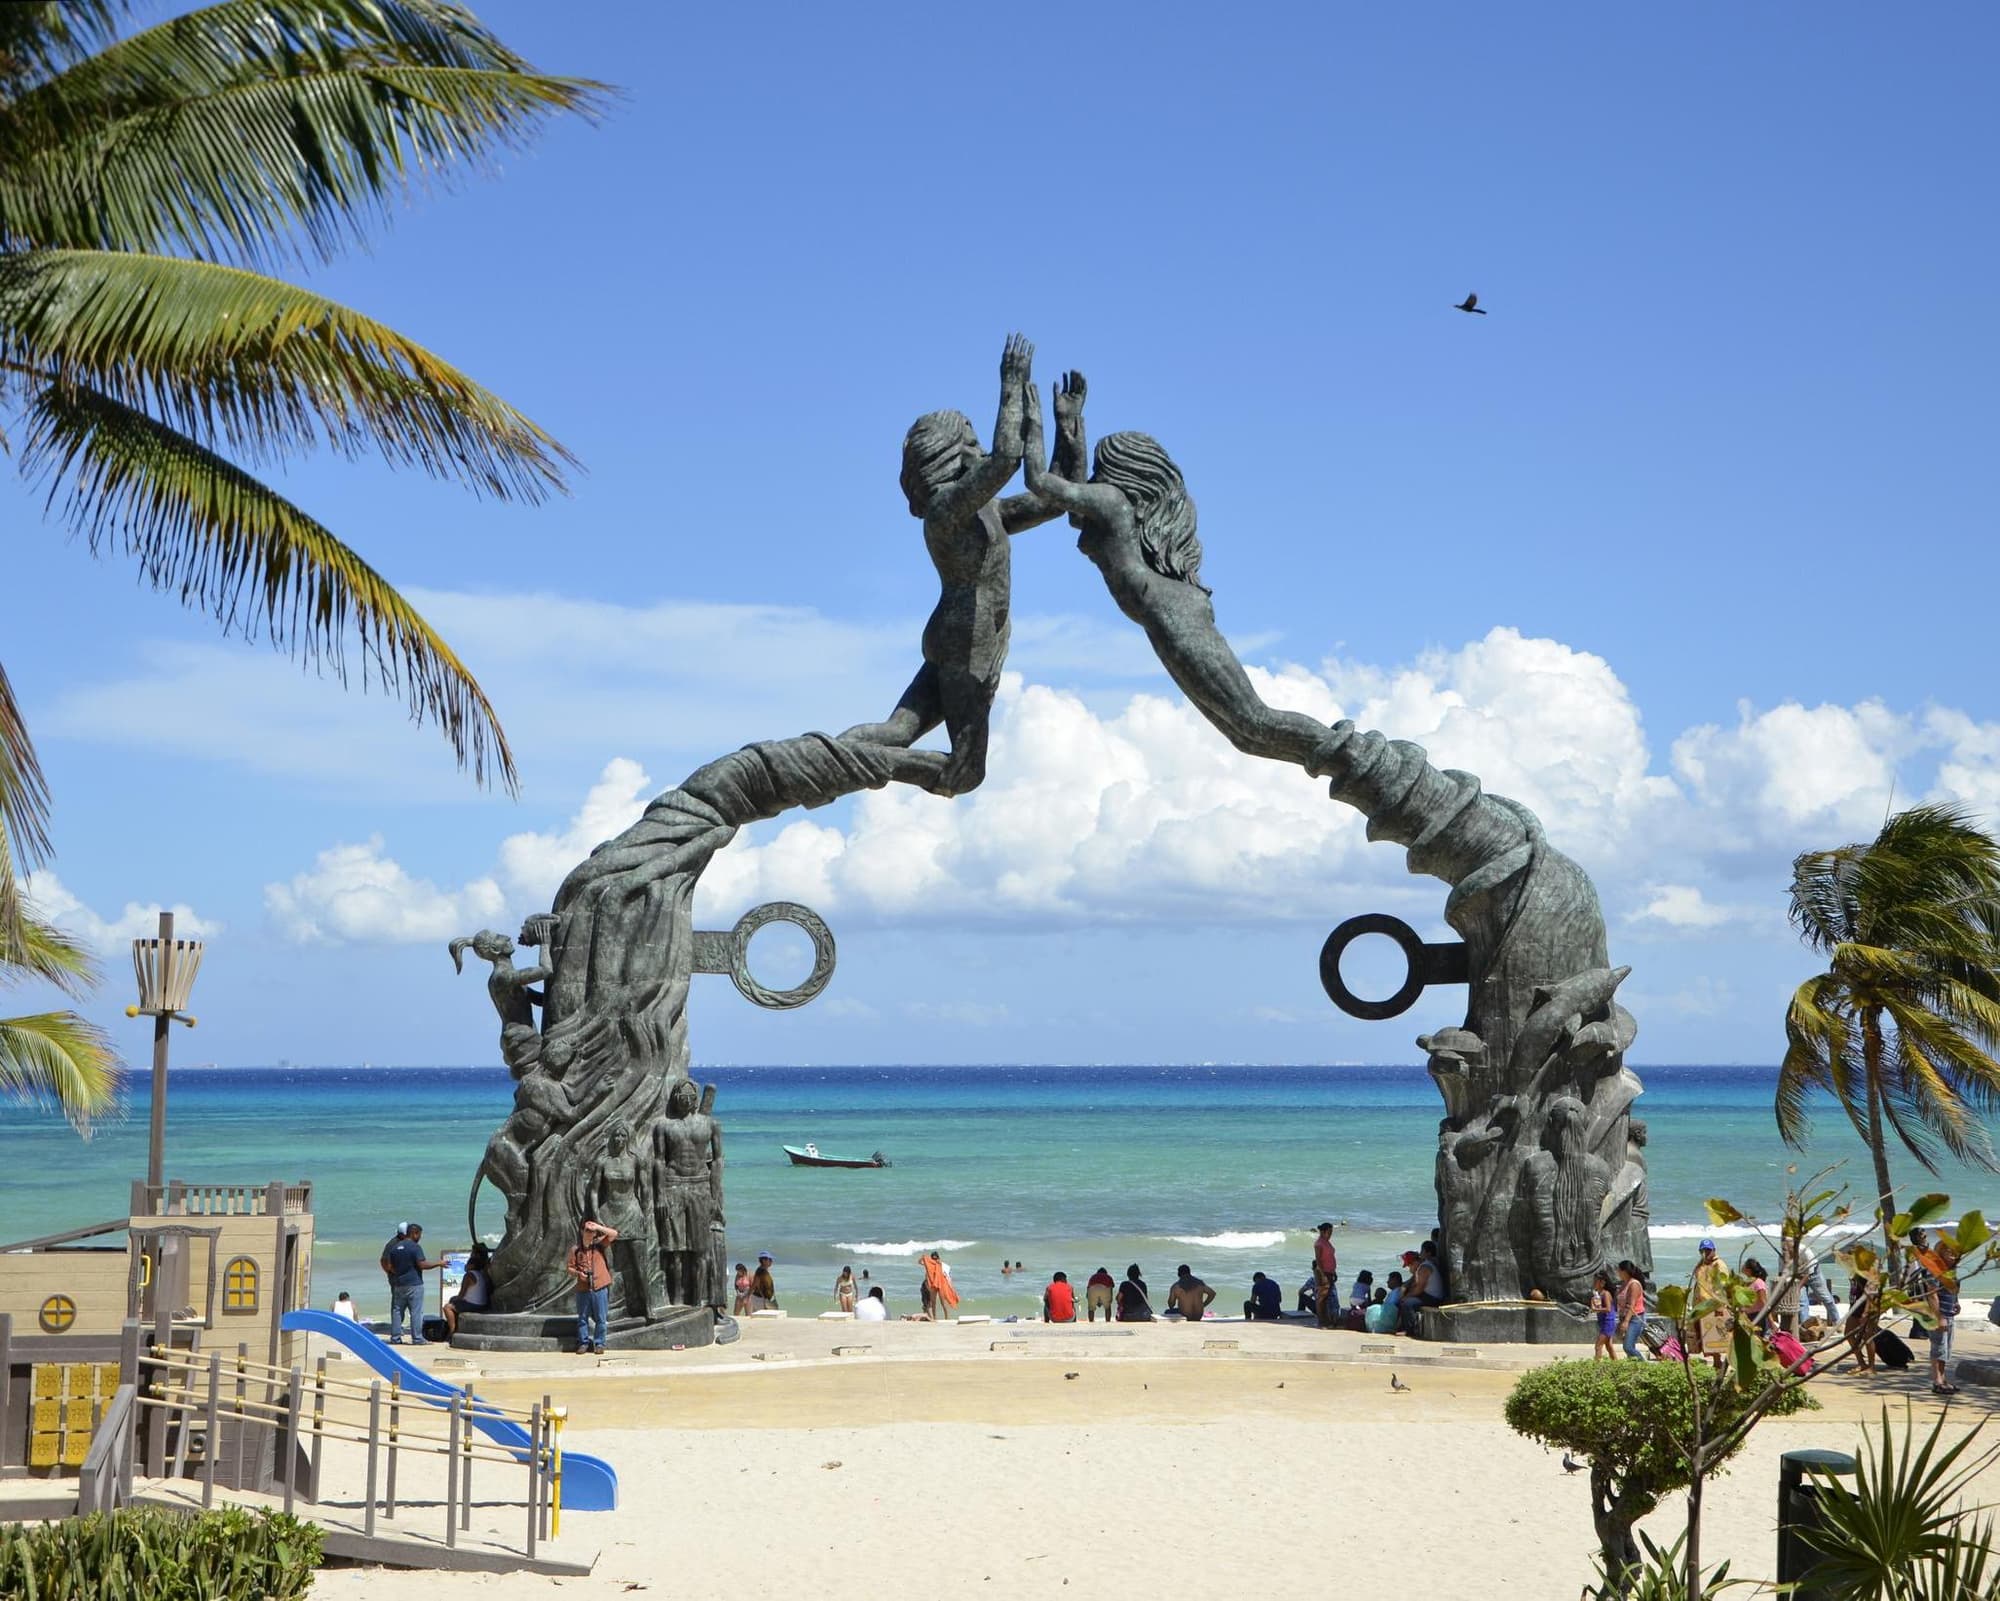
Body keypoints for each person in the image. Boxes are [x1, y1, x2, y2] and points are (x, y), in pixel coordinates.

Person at [841, 338, 1085, 797]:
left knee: (896, 732)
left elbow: (1056, 496)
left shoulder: (984, 512)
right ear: (948, 451)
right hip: (964, 640)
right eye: (970, 438)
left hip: (963, 637)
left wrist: (1068, 424)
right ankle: (852, 765)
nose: (980, 445)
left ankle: (831, 758)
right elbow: (1005, 460)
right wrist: (1010, 386)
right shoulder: (946, 509)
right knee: (966, 770)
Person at [1906, 1228, 1961, 1396]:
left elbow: (1953, 1289)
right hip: (1938, 1315)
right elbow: (1932, 1294)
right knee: (1938, 1348)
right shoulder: (1934, 1270)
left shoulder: (1950, 1272)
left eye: (1954, 1254)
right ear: (1941, 1253)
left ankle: (1943, 1379)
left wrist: (1956, 1303)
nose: (1952, 1256)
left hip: (1949, 1314)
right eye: (1949, 1253)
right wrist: (1939, 1317)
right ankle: (1937, 1380)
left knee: (1947, 1349)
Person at [381, 1222, 445, 1345]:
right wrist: (439, 1263)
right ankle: (417, 1338)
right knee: (416, 1311)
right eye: (419, 1234)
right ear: (414, 1233)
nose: (420, 1237)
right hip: (414, 1284)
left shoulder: (394, 1247)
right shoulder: (415, 1247)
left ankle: (395, 1338)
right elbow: (422, 1264)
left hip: (398, 1284)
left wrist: (400, 1273)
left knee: (397, 1311)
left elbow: (389, 1266)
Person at [567, 1218, 616, 1355]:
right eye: (587, 1230)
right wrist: (578, 1274)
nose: (589, 1233)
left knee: (601, 1318)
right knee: (582, 1318)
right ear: (582, 1232)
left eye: (591, 1231)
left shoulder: (599, 1245)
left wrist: (598, 1227)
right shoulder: (575, 1250)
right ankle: (583, 1343)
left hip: (600, 1287)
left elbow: (614, 1234)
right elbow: (570, 1268)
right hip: (583, 1288)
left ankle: (599, 1344)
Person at [1692, 1239, 1730, 1370]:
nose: (1705, 1253)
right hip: (1701, 1305)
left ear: (1714, 1250)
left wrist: (1719, 1304)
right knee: (1704, 1334)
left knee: (1715, 1335)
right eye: (1703, 1250)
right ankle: (1715, 1360)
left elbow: (1722, 1286)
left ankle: (1719, 1361)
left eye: (1708, 1250)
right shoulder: (1701, 1264)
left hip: (1713, 1305)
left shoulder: (1719, 1265)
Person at [444, 1242, 492, 1336]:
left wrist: (457, 1299)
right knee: (453, 1301)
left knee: (448, 1307)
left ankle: (452, 1331)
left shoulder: (469, 1275)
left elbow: (462, 1295)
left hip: (475, 1305)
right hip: (484, 1302)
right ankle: (456, 1326)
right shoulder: (481, 1273)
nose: (465, 1266)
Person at [1844, 1273, 1879, 1374]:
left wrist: (1866, 1311)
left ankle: (1871, 1367)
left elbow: (1872, 1290)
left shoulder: (1867, 1268)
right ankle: (1861, 1363)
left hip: (1868, 1306)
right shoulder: (1853, 1268)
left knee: (1868, 1337)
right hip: (1855, 1305)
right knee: (1848, 1333)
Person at [1615, 1260, 1648, 1360]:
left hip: (1634, 1318)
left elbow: (1632, 1305)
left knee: (1628, 1347)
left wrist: (1626, 1322)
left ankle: (1643, 1364)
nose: (1617, 1272)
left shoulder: (1634, 1284)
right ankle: (1635, 1368)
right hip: (1625, 1317)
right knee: (1630, 1346)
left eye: (1619, 1270)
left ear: (1624, 1271)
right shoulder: (1624, 1284)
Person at [1312, 1222, 1339, 1330]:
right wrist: (1322, 1274)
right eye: (1329, 1232)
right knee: (1321, 1298)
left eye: (1331, 1232)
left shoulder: (1327, 1242)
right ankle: (1321, 1322)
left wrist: (1334, 1271)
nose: (1330, 1234)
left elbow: (1330, 1258)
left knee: (1326, 1297)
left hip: (1330, 1272)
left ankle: (1326, 1320)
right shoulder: (1319, 1244)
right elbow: (1318, 1260)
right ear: (1323, 1232)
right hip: (1323, 1272)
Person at [921, 1250, 959, 1322]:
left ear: (938, 1258)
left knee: (943, 1303)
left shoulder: (942, 1265)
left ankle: (947, 1318)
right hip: (933, 1285)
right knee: (933, 1303)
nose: (935, 1260)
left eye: (936, 1258)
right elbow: (920, 1262)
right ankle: (934, 1318)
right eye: (933, 1259)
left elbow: (948, 1273)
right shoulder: (929, 1265)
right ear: (931, 1259)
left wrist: (940, 1264)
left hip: (941, 1285)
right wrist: (923, 1258)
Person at [1590, 1270, 1617, 1361]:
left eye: (1596, 1281)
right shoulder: (1598, 1294)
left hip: (1607, 1322)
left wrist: (1596, 1309)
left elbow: (1608, 1309)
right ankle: (1616, 1364)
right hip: (1603, 1322)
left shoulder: (1606, 1294)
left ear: (1602, 1283)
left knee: (1598, 1346)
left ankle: (1596, 1367)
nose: (1594, 1283)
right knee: (1609, 1346)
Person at [1741, 1257, 1771, 1328]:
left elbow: (1764, 1302)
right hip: (1748, 1315)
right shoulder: (1748, 1282)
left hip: (1757, 1316)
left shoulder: (1758, 1283)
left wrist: (1771, 1322)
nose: (1742, 1266)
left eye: (1744, 1265)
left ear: (1748, 1270)